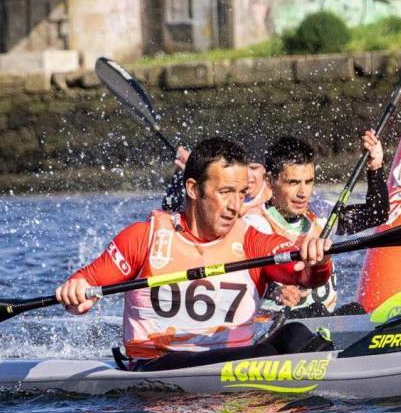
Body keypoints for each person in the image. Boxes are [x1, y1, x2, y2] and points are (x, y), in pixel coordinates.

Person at [56, 137, 334, 371]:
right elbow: (85, 284)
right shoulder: (144, 238)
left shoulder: (250, 241)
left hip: (238, 363)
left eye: (241, 193)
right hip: (158, 366)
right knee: (264, 356)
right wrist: (77, 295)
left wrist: (318, 260)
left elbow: (306, 276)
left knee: (296, 334)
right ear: (193, 189)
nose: (235, 206)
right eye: (225, 192)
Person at [243, 131, 389, 315]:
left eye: (309, 181)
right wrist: (273, 291)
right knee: (315, 311)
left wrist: (375, 166)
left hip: (323, 323)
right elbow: (239, 279)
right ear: (270, 181)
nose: (303, 193)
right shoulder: (255, 224)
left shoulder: (322, 214)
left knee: (355, 311)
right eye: (293, 182)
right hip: (275, 326)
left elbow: (377, 214)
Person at [161, 143, 270, 215]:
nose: (247, 176)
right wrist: (188, 172)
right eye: (243, 169)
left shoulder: (274, 196)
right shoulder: (220, 188)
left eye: (254, 168)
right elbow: (169, 209)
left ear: (266, 172)